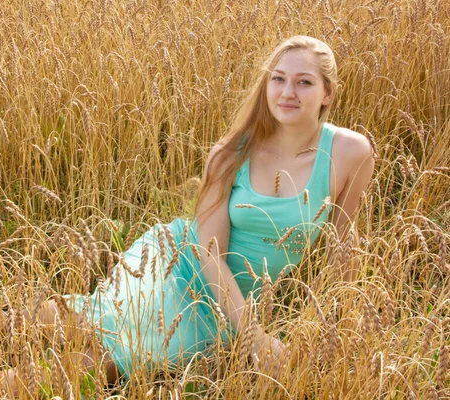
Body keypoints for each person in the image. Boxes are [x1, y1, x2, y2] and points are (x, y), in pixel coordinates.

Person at [35, 35, 375, 385]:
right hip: (180, 264)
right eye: (278, 78)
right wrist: (254, 335)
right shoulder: (231, 153)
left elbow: (343, 246)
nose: (288, 92)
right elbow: (208, 252)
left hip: (234, 302)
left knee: (104, 362)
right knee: (97, 340)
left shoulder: (350, 153)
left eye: (304, 82)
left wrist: (338, 329)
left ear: (329, 92)